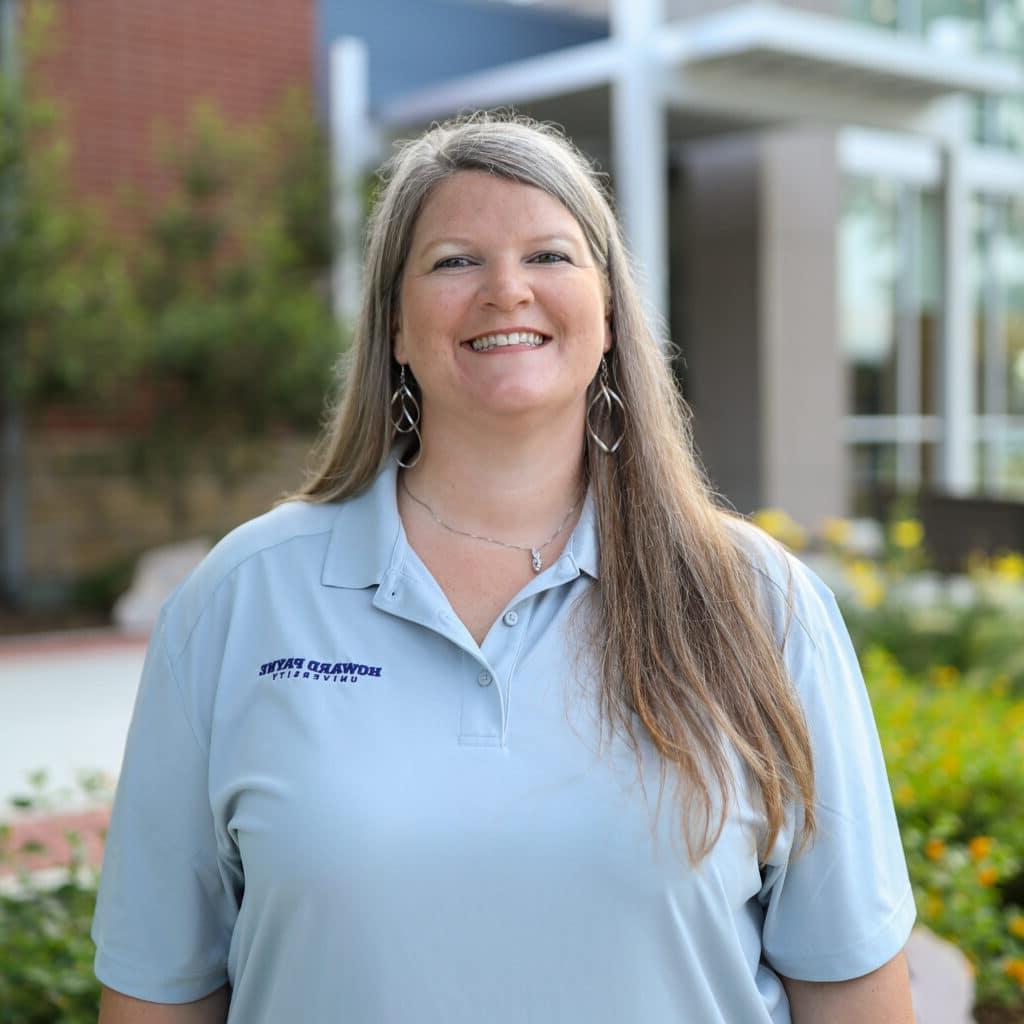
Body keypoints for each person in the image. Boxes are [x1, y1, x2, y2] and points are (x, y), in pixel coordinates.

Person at [92, 112, 916, 1024]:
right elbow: (157, 991)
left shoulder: (760, 603)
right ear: (395, 329)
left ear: (609, 317)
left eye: (552, 256)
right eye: (454, 261)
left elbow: (850, 989)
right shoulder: (237, 601)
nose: (506, 290)